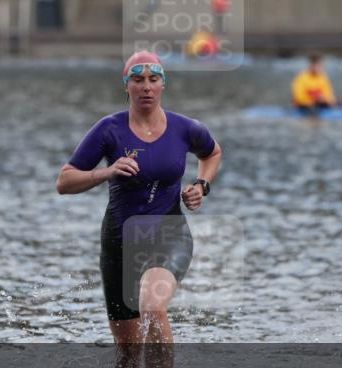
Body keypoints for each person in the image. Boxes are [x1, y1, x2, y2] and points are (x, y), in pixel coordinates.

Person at [56, 50, 222, 349]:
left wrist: (202, 184)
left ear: (162, 84)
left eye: (153, 79)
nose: (146, 86)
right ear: (127, 85)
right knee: (128, 354)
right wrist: (106, 172)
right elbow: (64, 182)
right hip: (119, 244)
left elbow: (212, 153)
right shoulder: (109, 129)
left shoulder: (186, 129)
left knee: (153, 307)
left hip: (169, 235)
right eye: (138, 80)